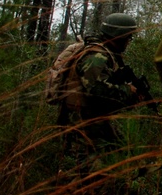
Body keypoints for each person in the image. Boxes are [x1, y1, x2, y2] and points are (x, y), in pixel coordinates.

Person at [56, 13, 151, 161]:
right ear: (118, 36)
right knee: (83, 172)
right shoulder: (97, 56)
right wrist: (128, 91)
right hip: (83, 125)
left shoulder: (103, 53)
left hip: (92, 122)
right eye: (128, 38)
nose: (128, 42)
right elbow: (96, 91)